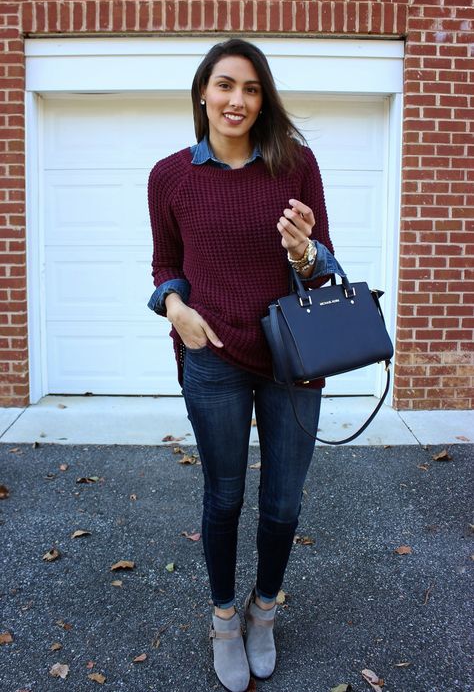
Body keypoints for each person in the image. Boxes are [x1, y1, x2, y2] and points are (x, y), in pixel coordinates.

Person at [148, 38, 341, 692]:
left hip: (293, 359)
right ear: (203, 91)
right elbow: (165, 265)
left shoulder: (296, 165)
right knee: (225, 496)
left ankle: (265, 609)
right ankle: (225, 617)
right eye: (226, 85)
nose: (238, 100)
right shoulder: (170, 176)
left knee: (283, 500)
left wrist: (306, 252)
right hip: (214, 357)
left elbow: (326, 268)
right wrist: (175, 307)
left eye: (253, 89)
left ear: (265, 100)